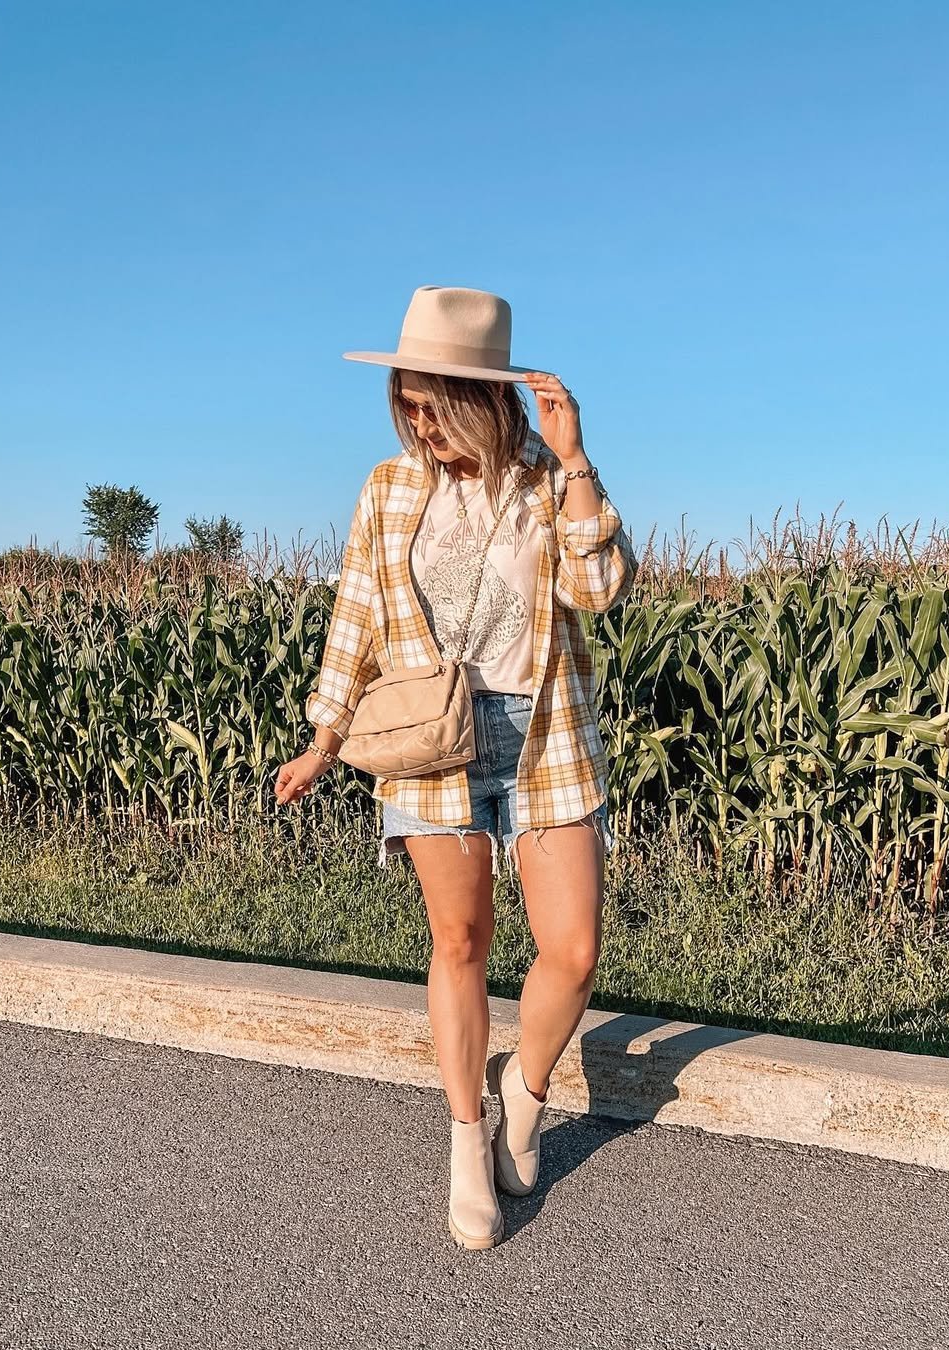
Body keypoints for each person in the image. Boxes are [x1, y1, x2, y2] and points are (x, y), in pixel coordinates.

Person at [274, 285, 638, 1249]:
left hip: (543, 732)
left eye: (435, 402)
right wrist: (323, 737)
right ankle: (466, 1142)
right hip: (433, 738)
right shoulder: (387, 489)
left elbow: (600, 590)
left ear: (482, 396)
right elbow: (354, 619)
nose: (419, 421)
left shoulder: (543, 483)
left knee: (571, 951)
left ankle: (523, 1092)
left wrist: (575, 462)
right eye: (408, 403)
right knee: (461, 942)